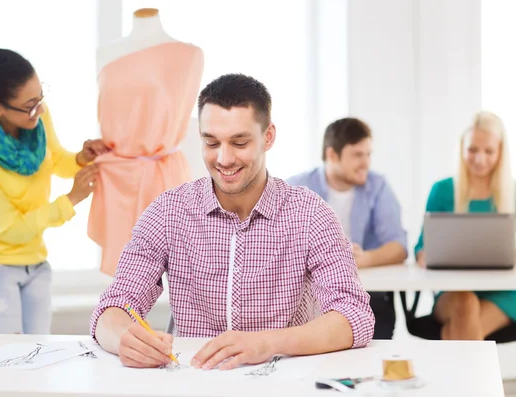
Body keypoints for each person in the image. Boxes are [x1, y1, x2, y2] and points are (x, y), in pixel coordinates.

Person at [91, 74, 375, 370]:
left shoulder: (310, 214)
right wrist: (125, 337)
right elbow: (112, 308)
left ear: (268, 137)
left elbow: (354, 315)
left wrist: (268, 343)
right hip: (194, 383)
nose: (224, 159)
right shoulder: (168, 212)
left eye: (239, 142)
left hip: (285, 383)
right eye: (211, 142)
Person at [0, 49, 110, 334]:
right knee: (0, 370)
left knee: (36, 366)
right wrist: (71, 200)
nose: (41, 109)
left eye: (41, 97)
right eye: (31, 105)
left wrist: (80, 159)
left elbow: (53, 158)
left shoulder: (35, 119)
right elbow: (10, 229)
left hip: (33, 263)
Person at [286, 118, 407, 339]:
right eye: (358, 155)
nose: (366, 163)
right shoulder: (297, 188)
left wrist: (365, 258)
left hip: (368, 294)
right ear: (332, 155)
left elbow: (398, 246)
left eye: (368, 154)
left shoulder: (377, 186)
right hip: (310, 297)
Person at [414, 111, 516, 340]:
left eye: (489, 151)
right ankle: (480, 378)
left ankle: (448, 377)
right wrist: (425, 255)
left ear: (500, 151)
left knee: (460, 331)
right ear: (462, 149)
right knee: (465, 304)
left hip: (504, 293)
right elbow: (421, 248)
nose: (480, 159)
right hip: (453, 291)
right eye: (472, 150)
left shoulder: (513, 193)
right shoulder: (442, 190)